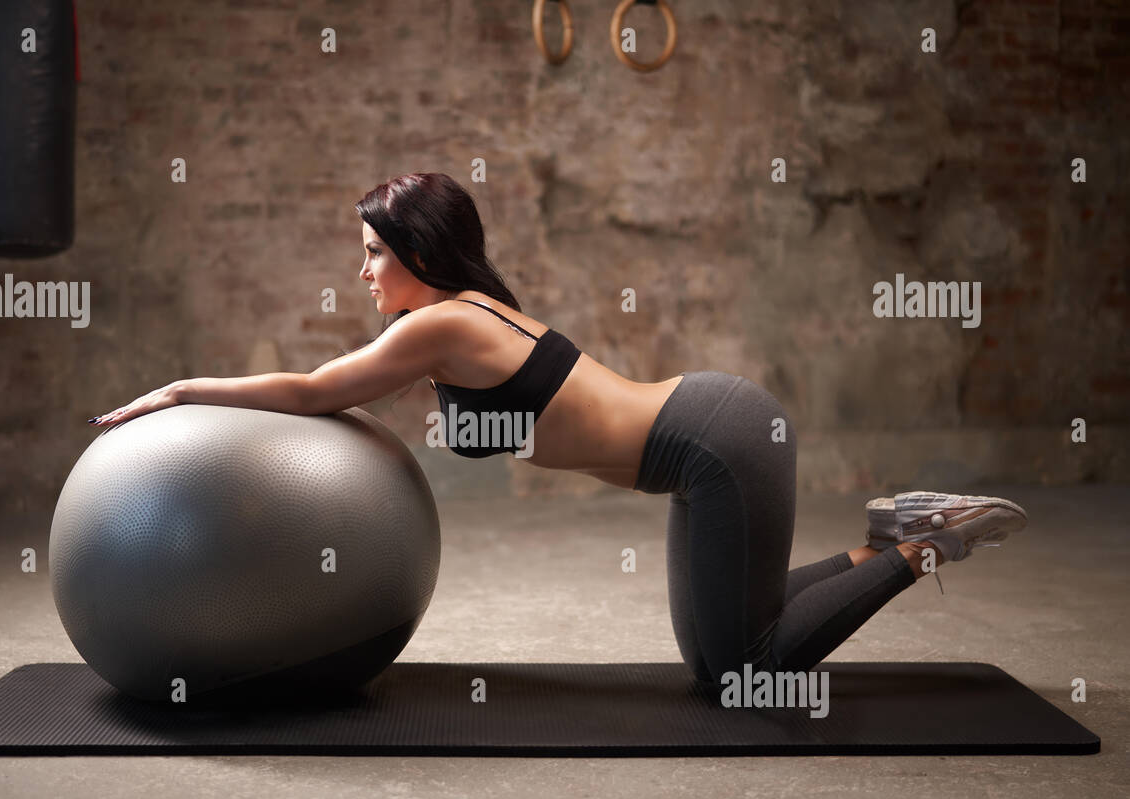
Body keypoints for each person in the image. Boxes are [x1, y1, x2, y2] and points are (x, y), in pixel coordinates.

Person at [90, 172, 1027, 681]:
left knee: (748, 671)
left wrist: (179, 394)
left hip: (714, 441)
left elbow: (314, 390)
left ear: (420, 254)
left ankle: (922, 547)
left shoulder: (445, 323)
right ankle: (891, 535)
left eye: (374, 252)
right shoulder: (467, 320)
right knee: (716, 659)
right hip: (701, 448)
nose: (363, 272)